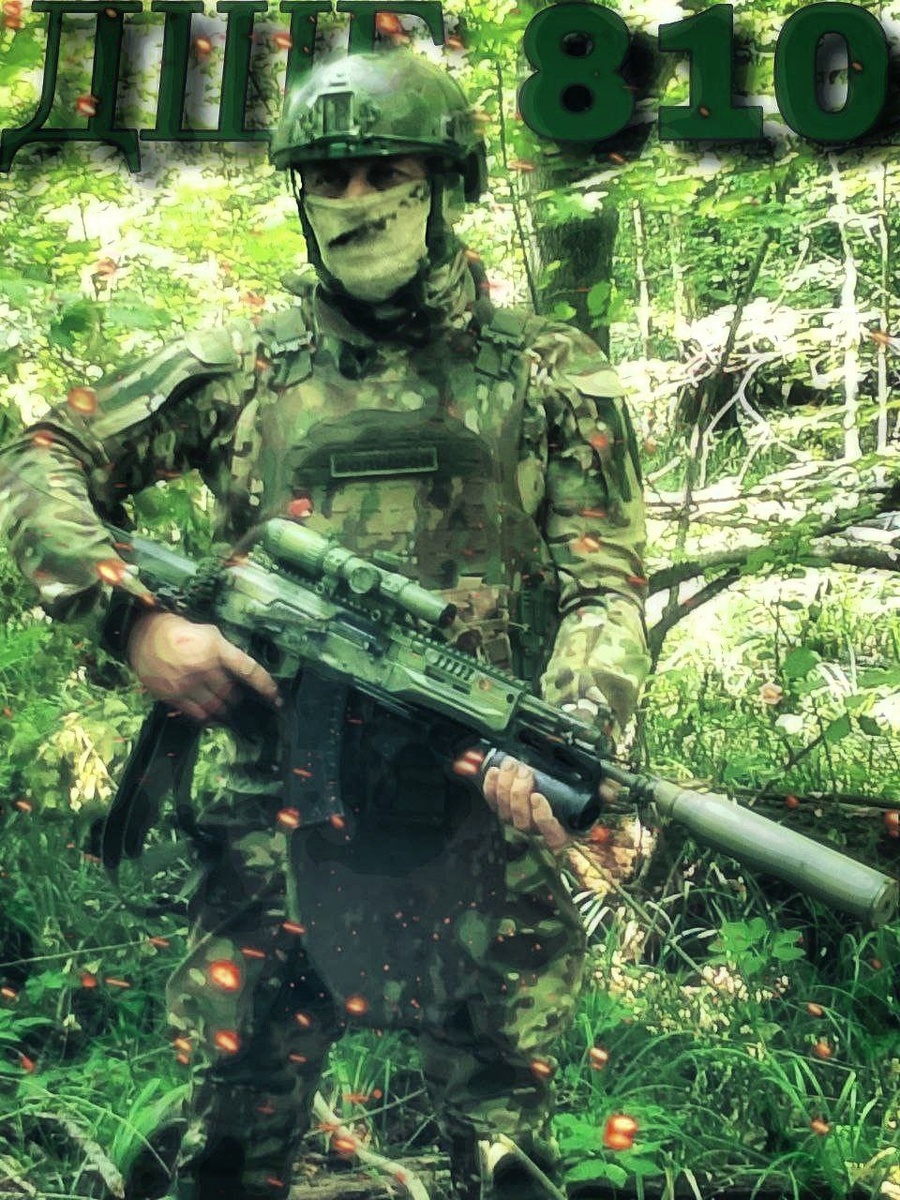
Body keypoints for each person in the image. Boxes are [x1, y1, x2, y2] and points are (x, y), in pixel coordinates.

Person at [0, 50, 650, 1200]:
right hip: (275, 814)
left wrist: (576, 719)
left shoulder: (550, 373)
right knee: (232, 1131)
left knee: (504, 1145)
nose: (355, 202)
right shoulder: (244, 362)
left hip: (478, 817)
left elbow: (603, 583)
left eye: (384, 172)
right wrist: (134, 620)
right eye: (329, 177)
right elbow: (43, 453)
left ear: (447, 181)